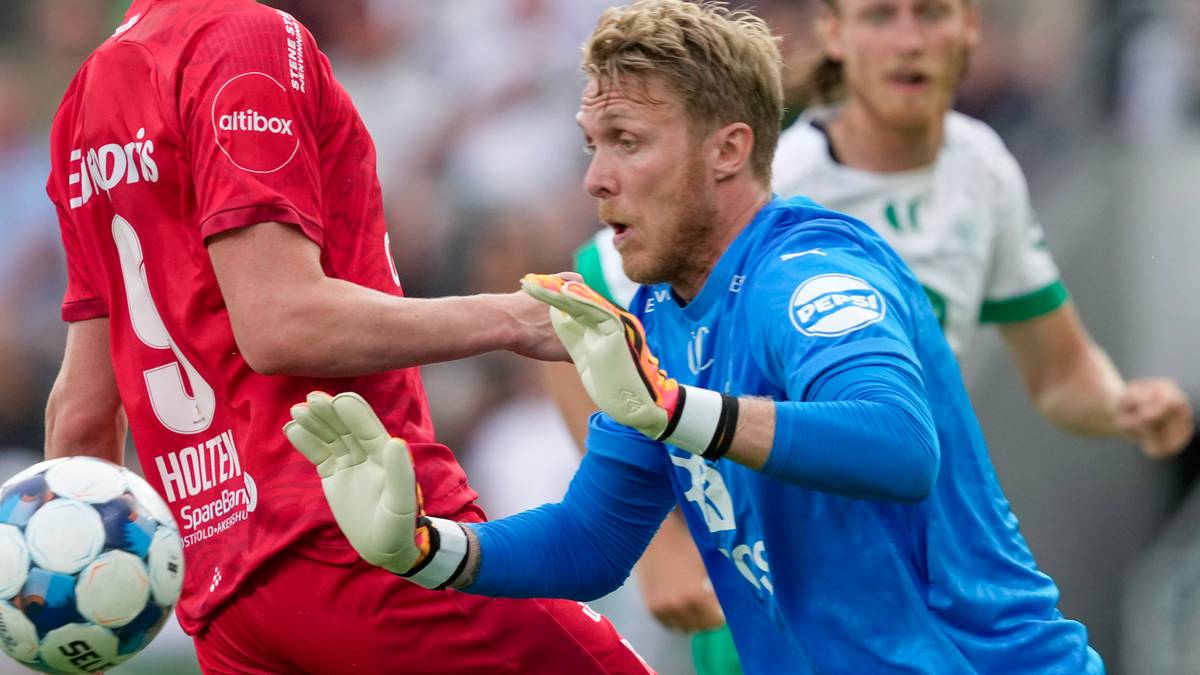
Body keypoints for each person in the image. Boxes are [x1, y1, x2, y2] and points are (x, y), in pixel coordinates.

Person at [287, 1, 1107, 672]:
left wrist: (682, 410)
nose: (594, 177)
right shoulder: (657, 317)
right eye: (592, 144)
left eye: (629, 143)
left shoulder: (808, 273)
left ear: (729, 150)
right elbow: (593, 541)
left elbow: (899, 444)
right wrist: (428, 545)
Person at [553, 0, 1196, 670]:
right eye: (881, 16)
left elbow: (1060, 373)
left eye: (931, 14)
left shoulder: (981, 168)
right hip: (779, 590)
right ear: (834, 33)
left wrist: (1122, 402)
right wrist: (663, 548)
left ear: (970, 27)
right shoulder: (776, 182)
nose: (909, 40)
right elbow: (572, 316)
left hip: (916, 575)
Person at [43, 1, 654, 672]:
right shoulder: (240, 36)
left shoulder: (86, 94)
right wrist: (513, 319)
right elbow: (281, 322)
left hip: (226, 602)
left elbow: (80, 417)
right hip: (354, 536)